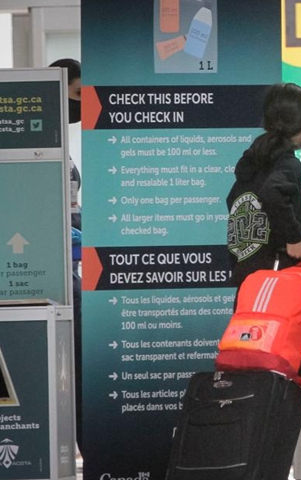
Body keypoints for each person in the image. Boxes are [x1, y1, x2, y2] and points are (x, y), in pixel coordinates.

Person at [225, 83, 301, 480]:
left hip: (248, 287)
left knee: (257, 385)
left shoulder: (248, 163)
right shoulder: (286, 162)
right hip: (283, 288)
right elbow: (276, 196)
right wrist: (296, 243)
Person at [50, 57, 84, 452]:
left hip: (70, 263)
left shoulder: (63, 142)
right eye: (76, 93)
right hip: (54, 269)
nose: (81, 103)